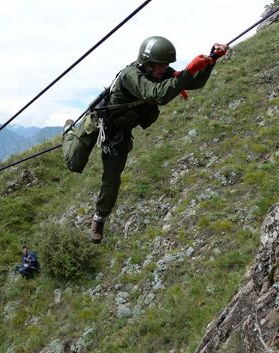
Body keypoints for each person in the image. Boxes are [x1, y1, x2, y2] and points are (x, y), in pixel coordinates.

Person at [62, 36, 228, 243]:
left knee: (112, 177)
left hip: (119, 132)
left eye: (166, 65)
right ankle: (69, 131)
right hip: (98, 123)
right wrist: (189, 71)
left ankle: (99, 217)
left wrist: (211, 59)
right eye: (160, 65)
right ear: (147, 64)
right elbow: (157, 95)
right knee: (74, 164)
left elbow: (194, 82)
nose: (164, 69)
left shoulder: (161, 74)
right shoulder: (131, 76)